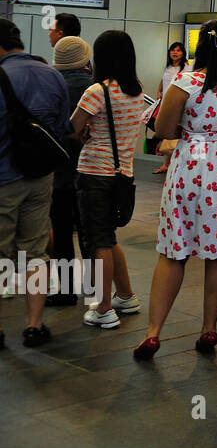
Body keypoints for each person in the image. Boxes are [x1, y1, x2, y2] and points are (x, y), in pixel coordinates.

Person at [134, 19, 217, 360]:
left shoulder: (186, 82)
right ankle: (209, 328)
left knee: (173, 251)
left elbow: (164, 128)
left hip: (189, 167)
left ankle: (153, 334)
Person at [0, 19, 71, 349]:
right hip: (41, 179)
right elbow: (61, 128)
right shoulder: (52, 74)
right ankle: (33, 325)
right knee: (35, 252)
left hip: (3, 179)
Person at [72, 31, 146, 329]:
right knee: (107, 236)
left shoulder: (97, 91)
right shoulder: (136, 89)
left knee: (98, 240)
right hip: (122, 174)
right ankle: (125, 295)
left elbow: (73, 128)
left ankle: (103, 308)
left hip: (94, 174)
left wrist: (85, 130)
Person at [47, 36, 93, 306]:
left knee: (62, 233)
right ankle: (93, 287)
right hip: (89, 168)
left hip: (59, 169)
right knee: (92, 233)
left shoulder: (51, 84)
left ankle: (65, 291)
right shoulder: (94, 87)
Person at [152, 42, 188, 173]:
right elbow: (163, 81)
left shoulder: (186, 68)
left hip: (179, 105)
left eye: (178, 50)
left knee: (175, 134)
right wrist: (159, 91)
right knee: (166, 132)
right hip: (165, 104)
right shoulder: (167, 67)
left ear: (183, 53)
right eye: (173, 50)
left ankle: (176, 164)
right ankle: (166, 164)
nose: (175, 52)